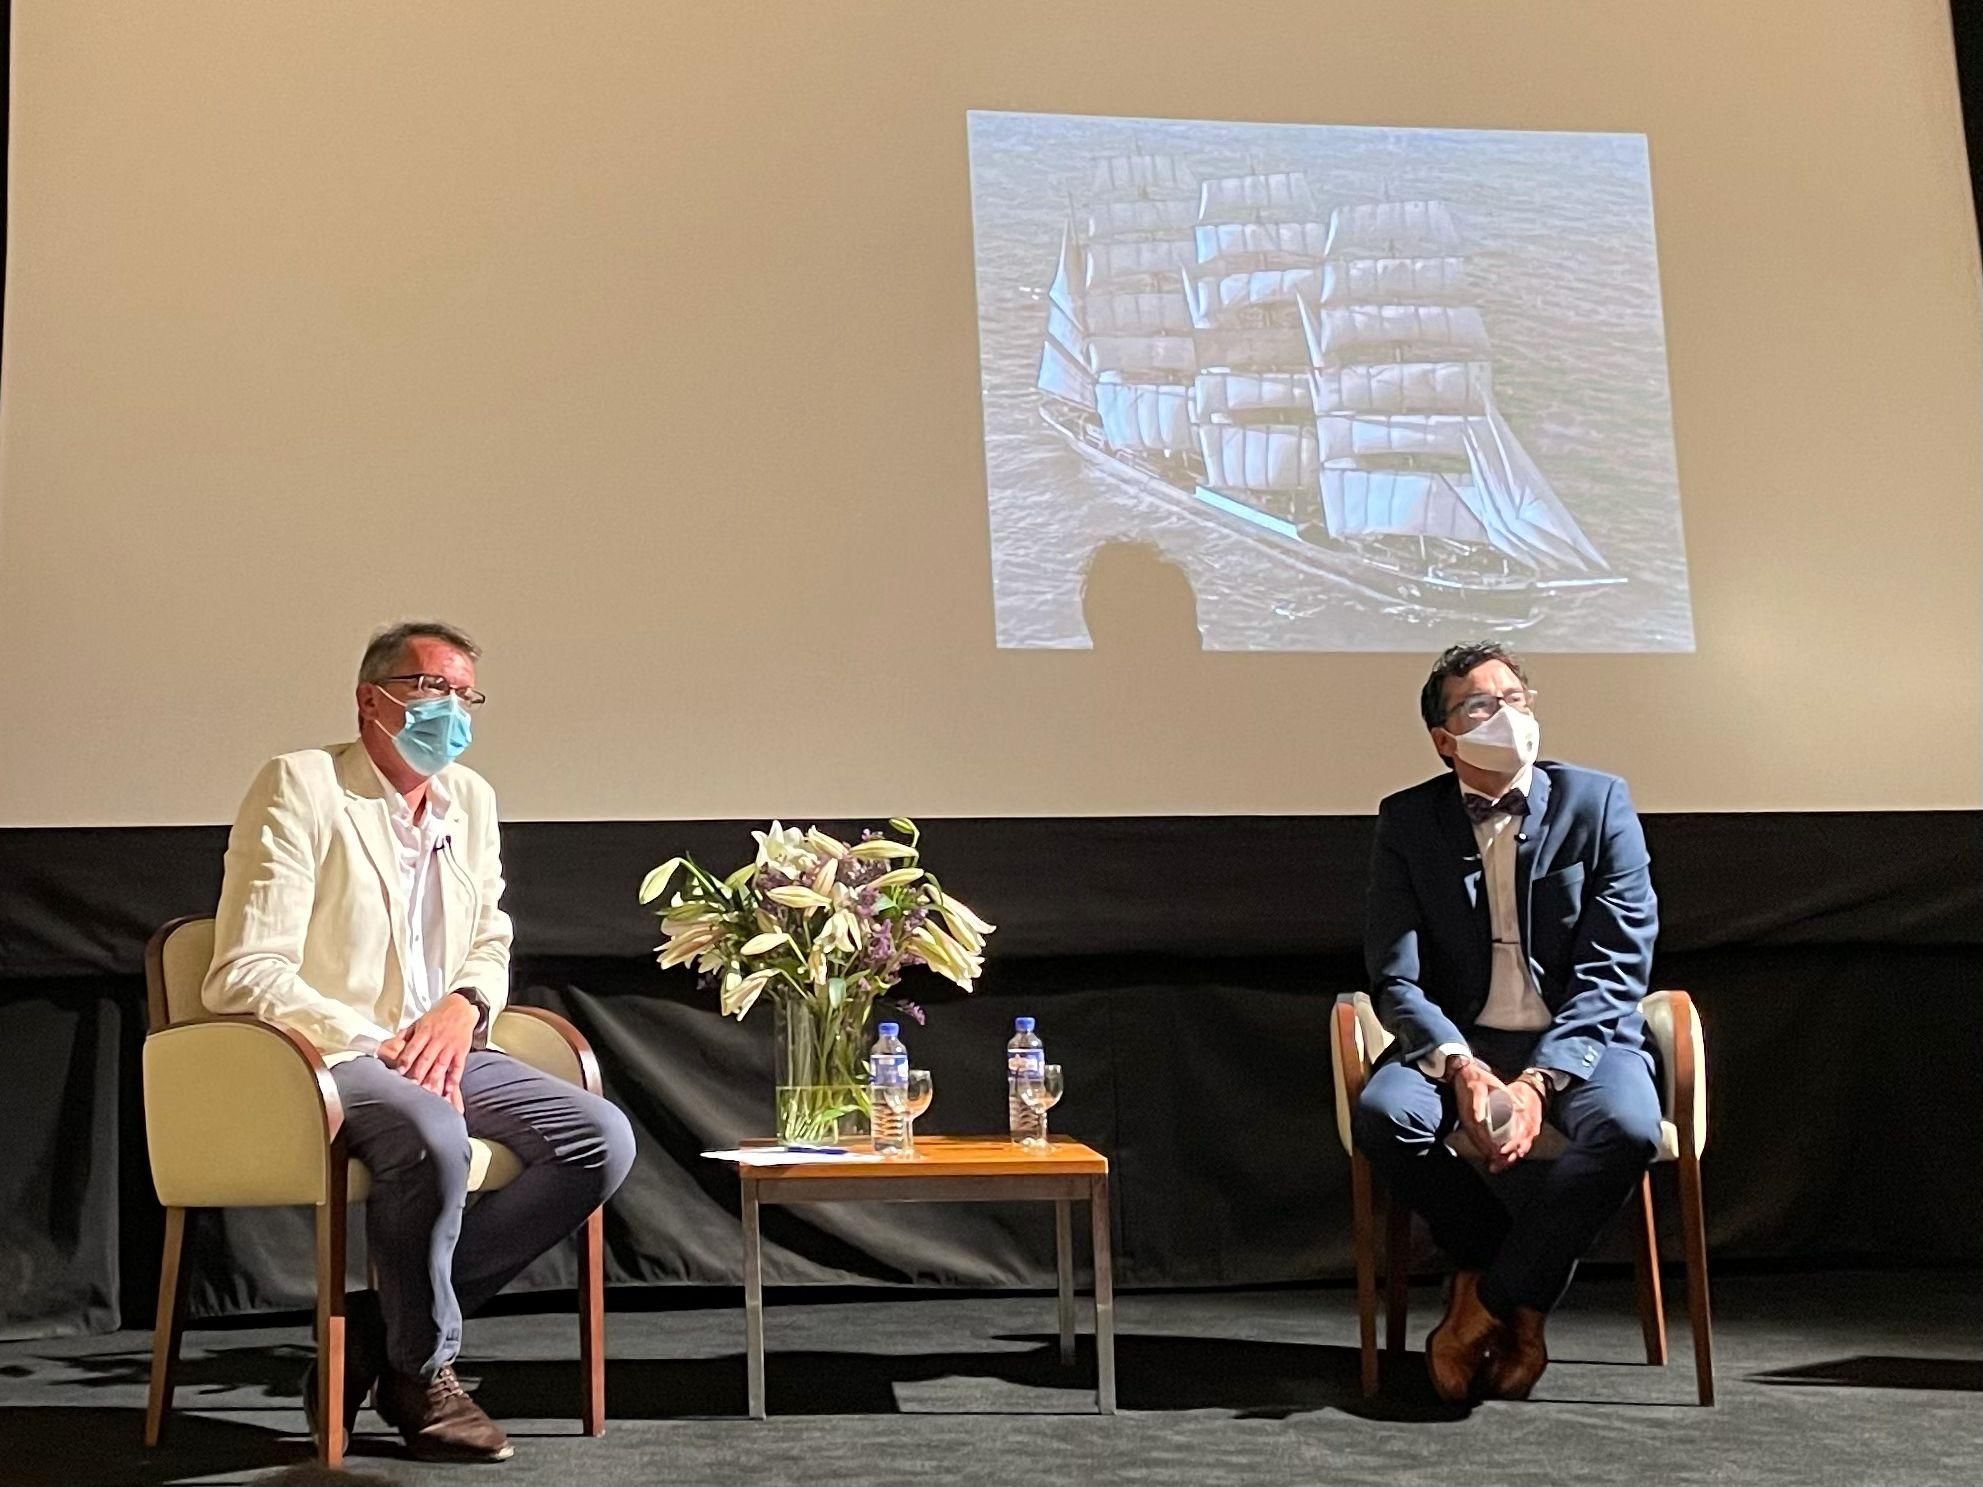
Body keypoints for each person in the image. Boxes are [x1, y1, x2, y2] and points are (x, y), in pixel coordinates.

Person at [204, 621, 635, 1462]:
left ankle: (376, 1321)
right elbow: (244, 970)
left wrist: (466, 1006)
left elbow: (490, 934)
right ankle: (422, 1368)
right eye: (431, 687)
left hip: (447, 1046)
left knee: (599, 1137)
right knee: (432, 1136)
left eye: (464, 694)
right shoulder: (303, 785)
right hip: (330, 1054)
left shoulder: (469, 799)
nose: (451, 709)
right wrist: (385, 1040)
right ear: (373, 698)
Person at [1356, 641, 1661, 1403]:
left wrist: (1537, 1080)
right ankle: (1514, 1293)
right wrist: (1459, 1064)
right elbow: (1396, 975)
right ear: (1444, 738)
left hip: (1577, 1040)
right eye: (1480, 705)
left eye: (1515, 698)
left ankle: (1484, 1305)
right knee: (1385, 1114)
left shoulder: (1597, 802)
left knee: (1626, 1127)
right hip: (1462, 1036)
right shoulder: (1407, 820)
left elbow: (1616, 963)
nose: (1506, 715)